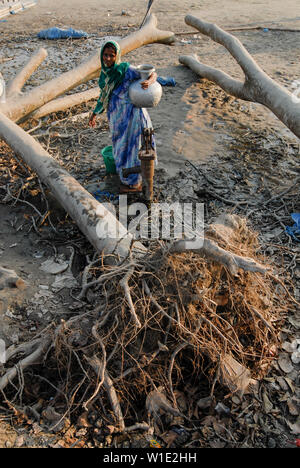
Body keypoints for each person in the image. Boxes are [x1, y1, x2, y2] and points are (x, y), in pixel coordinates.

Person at [89, 40, 157, 193]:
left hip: (131, 116)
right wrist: (94, 113)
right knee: (119, 147)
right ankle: (126, 177)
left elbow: (151, 73)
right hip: (115, 118)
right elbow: (103, 96)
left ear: (117, 56)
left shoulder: (125, 70)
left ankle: (134, 182)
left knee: (131, 147)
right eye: (105, 55)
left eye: (111, 56)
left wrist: (149, 81)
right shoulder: (105, 74)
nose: (107, 59)